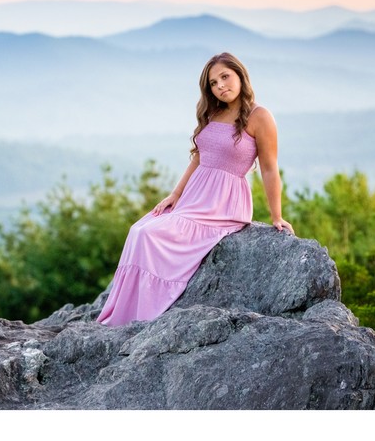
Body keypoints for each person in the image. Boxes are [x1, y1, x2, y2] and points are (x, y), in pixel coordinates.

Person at [97, 51, 294, 327]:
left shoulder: (260, 116)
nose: (220, 86)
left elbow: (270, 169)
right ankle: (126, 312)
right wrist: (175, 194)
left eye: (225, 77)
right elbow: (199, 157)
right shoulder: (214, 111)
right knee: (138, 230)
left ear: (240, 75)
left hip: (222, 204)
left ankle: (141, 313)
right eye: (213, 83)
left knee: (150, 236)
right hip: (194, 196)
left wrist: (276, 216)